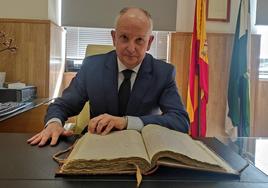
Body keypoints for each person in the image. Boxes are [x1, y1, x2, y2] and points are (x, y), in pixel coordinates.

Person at [27, 7, 189, 147]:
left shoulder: (164, 73)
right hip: (97, 143)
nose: (131, 48)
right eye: (124, 38)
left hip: (142, 148)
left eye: (139, 40)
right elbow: (62, 106)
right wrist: (54, 123)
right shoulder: (92, 67)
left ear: (150, 42)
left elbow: (180, 121)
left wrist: (126, 122)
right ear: (114, 37)